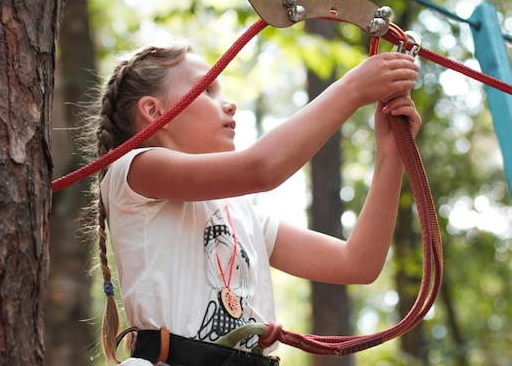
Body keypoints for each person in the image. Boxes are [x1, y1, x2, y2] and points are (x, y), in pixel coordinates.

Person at [82, 42, 421, 365]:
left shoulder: (241, 213)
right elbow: (262, 168)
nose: (229, 104)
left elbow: (357, 263)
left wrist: (390, 155)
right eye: (207, 91)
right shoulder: (136, 169)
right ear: (157, 112)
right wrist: (352, 89)